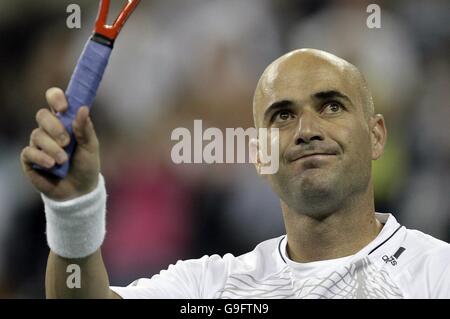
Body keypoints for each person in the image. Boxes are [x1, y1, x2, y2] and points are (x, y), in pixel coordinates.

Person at [20, 49, 449, 298]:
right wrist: (74, 206)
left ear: (376, 137)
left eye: (331, 106)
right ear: (259, 156)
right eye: (282, 116)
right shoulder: (210, 290)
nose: (306, 131)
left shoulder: (439, 274)